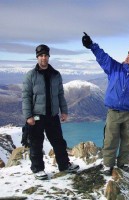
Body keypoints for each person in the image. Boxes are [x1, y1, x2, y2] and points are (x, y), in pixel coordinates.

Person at [82, 32, 129, 175]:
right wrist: (91, 45)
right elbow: (102, 56)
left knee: (127, 141)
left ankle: (123, 163)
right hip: (113, 112)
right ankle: (108, 165)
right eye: (127, 54)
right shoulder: (114, 68)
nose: (127, 57)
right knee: (110, 140)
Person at [22, 44, 79, 180]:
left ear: (48, 56)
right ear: (37, 57)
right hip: (36, 115)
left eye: (45, 55)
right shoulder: (31, 75)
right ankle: (38, 169)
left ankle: (64, 165)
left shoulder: (56, 75)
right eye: (41, 56)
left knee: (59, 141)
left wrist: (64, 111)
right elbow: (26, 96)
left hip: (52, 115)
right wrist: (28, 115)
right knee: (36, 143)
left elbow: (60, 95)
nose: (43, 58)